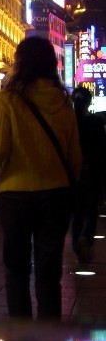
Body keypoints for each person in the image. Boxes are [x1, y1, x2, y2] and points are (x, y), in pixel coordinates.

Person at [0, 36, 82, 319]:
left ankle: (21, 340)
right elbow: (75, 157)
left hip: (16, 195)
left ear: (20, 63)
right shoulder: (63, 101)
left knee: (17, 270)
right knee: (49, 273)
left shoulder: (8, 99)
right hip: (56, 195)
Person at [70, 87, 106, 264]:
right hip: (92, 171)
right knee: (91, 209)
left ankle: (77, 244)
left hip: (73, 173)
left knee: (76, 212)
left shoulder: (69, 123)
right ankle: (86, 237)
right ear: (89, 102)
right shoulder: (96, 122)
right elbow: (102, 148)